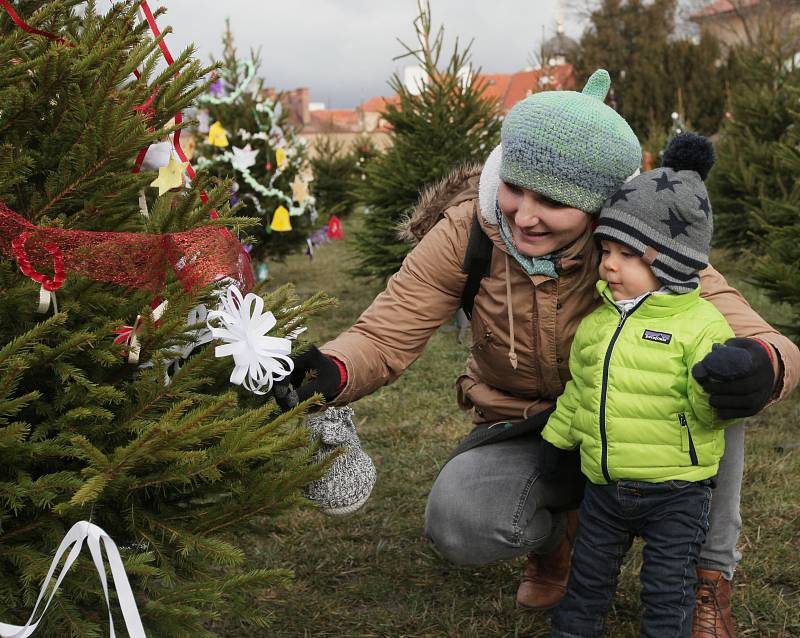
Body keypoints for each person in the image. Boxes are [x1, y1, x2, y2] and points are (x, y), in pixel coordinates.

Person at [276, 70, 799, 637]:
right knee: (458, 521)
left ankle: (707, 580)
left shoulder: (644, 245)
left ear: (600, 206)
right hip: (525, 425)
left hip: (643, 423)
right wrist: (333, 369)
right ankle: (559, 540)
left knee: (720, 386)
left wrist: (764, 367)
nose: (523, 215)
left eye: (551, 200)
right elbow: (385, 332)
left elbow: (763, 337)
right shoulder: (470, 232)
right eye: (514, 186)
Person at [541, 133, 740, 637]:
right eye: (605, 248)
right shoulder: (599, 321)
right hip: (605, 489)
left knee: (665, 587)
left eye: (626, 254)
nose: (607, 264)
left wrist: (717, 382)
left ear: (670, 260)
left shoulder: (703, 326)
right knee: (587, 580)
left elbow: (711, 411)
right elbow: (580, 392)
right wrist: (558, 442)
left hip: (677, 492)